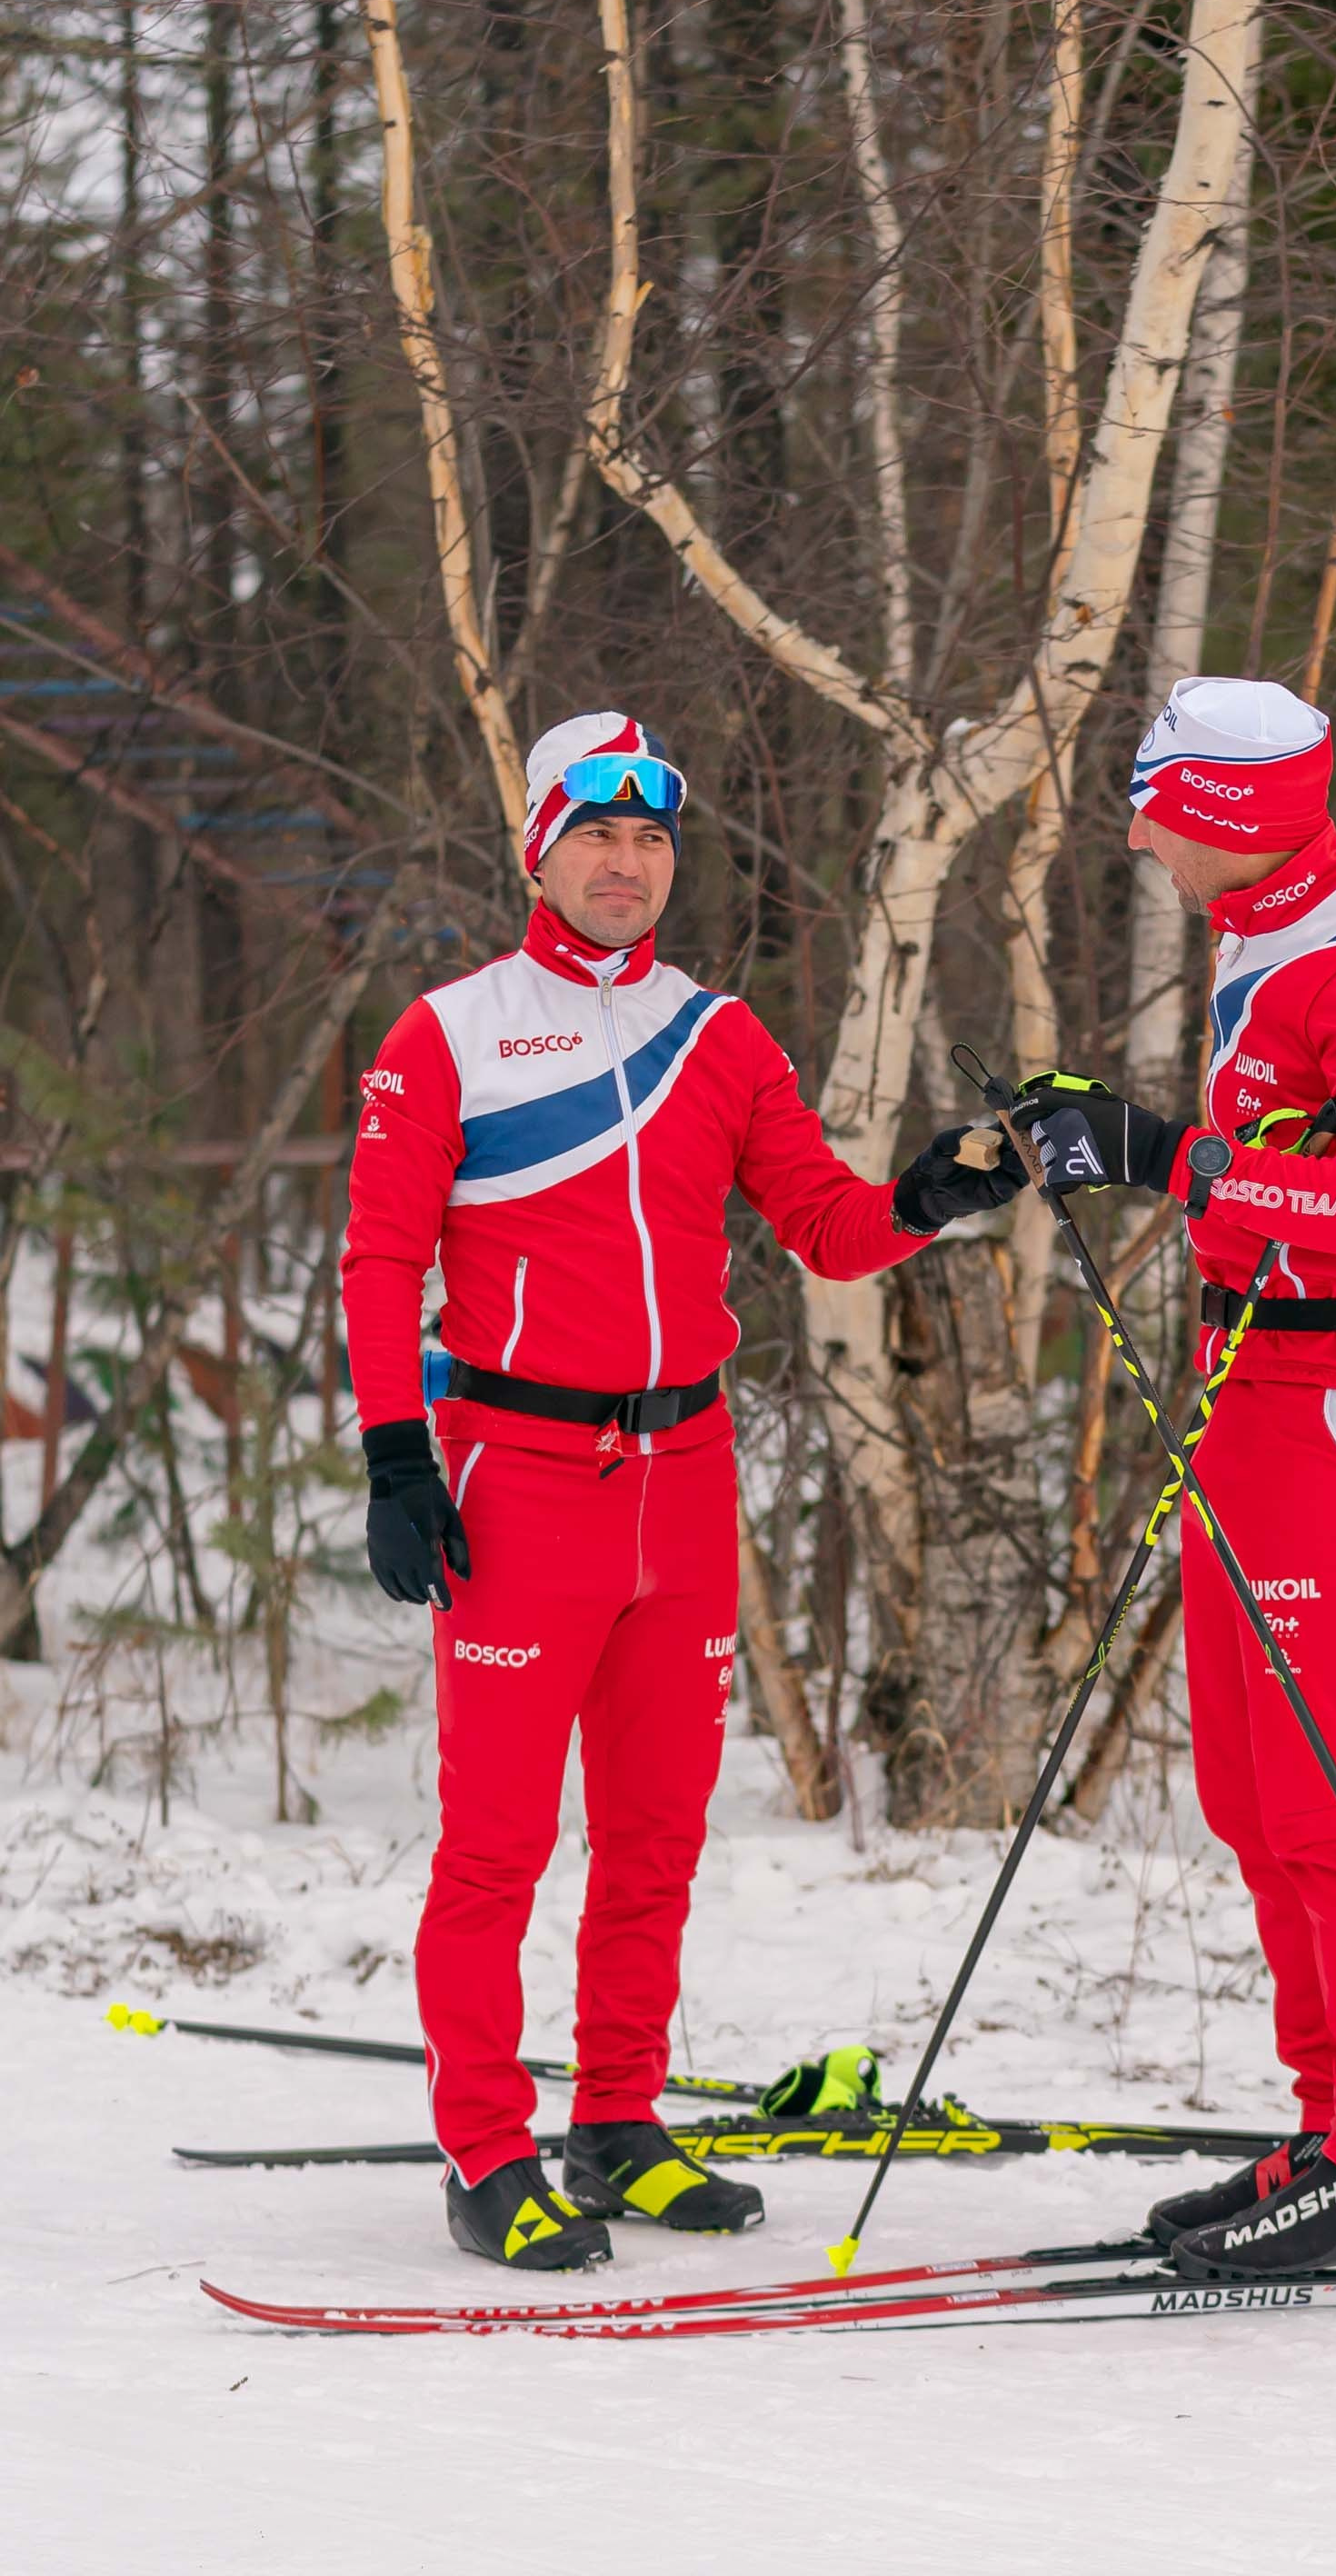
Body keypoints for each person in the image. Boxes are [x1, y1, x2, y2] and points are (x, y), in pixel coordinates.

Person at [342, 712, 1022, 2268]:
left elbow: (829, 1228)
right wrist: (396, 1456)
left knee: (655, 1837)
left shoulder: (721, 1037)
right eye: (597, 833)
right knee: (496, 1844)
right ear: (540, 846)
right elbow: (382, 1259)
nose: (627, 863)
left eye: (652, 839)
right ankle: (487, 2152)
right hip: (521, 1478)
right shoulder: (447, 1033)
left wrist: (936, 1192)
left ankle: (619, 2123)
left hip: (687, 1477)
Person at [1012, 675, 1336, 2282]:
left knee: (1326, 1789)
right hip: (1254, 1377)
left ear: (1218, 811)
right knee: (1246, 1783)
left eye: (1153, 802)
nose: (1138, 830)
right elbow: (1279, 1154)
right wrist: (1122, 1135)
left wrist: (1160, 1154)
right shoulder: (1268, 924)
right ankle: (1332, 2127)